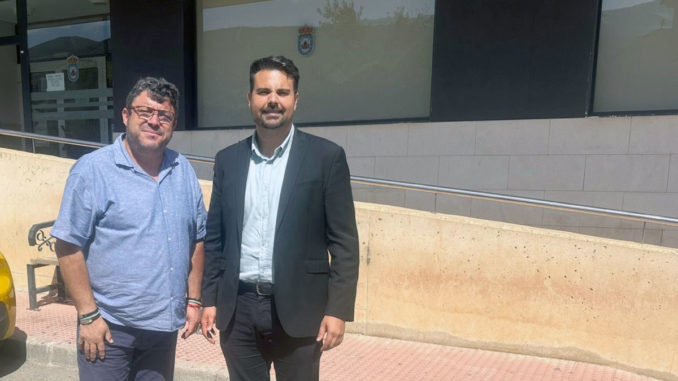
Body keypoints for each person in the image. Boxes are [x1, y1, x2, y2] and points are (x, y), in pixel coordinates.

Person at [200, 56, 360, 381]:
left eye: (282, 92)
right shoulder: (228, 161)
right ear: (250, 99)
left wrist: (338, 310)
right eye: (263, 92)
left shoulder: (326, 158)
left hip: (301, 310)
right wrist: (209, 300)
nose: (273, 100)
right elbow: (215, 239)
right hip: (238, 311)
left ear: (295, 100)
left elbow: (344, 242)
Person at [51, 77, 206, 381]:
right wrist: (88, 314)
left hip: (162, 330)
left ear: (172, 124)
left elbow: (197, 238)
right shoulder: (92, 170)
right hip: (108, 328)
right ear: (125, 116)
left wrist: (195, 299)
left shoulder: (183, 170)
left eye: (164, 116)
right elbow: (68, 244)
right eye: (144, 112)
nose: (154, 121)